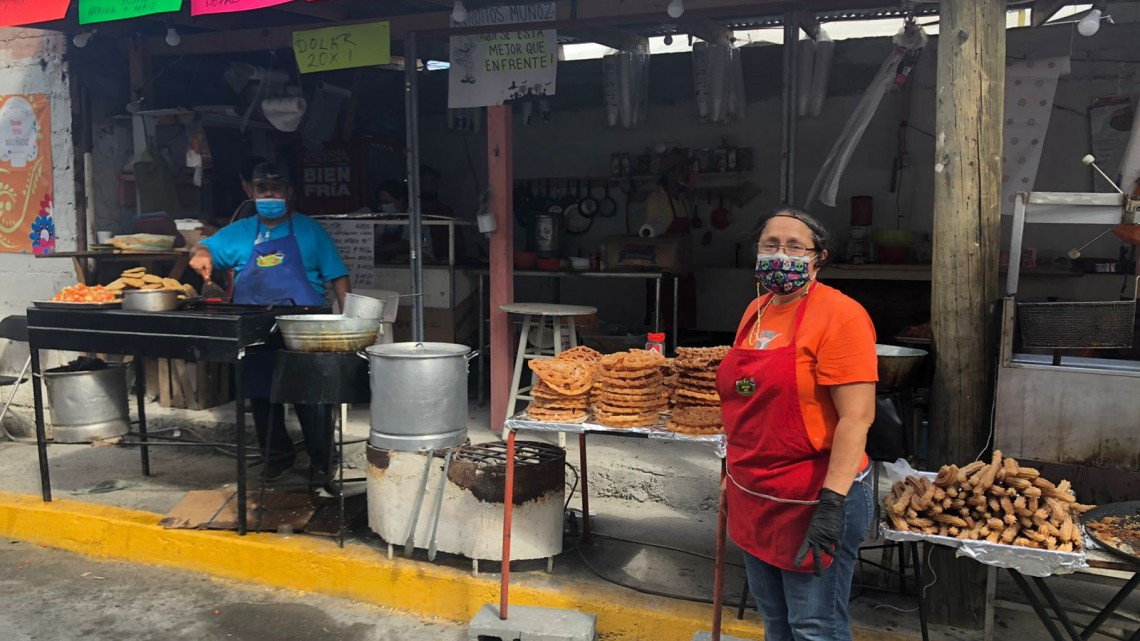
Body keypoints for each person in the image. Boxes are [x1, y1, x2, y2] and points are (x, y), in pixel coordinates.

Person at [717, 207, 877, 641]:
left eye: (794, 246)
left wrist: (831, 503)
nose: (780, 254)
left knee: (814, 628)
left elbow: (856, 417)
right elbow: (747, 395)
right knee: (775, 623)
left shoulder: (840, 315)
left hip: (814, 496)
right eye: (771, 244)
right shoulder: (757, 309)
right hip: (757, 492)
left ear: (817, 258)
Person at [189, 162, 352, 481]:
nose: (269, 194)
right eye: (262, 189)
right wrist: (201, 253)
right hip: (254, 323)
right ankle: (276, 456)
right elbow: (205, 246)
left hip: (305, 321)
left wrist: (347, 319)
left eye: (276, 189)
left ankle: (322, 460)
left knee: (311, 393)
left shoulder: (310, 230)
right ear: (251, 192)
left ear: (289, 193)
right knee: (262, 393)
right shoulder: (238, 232)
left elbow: (338, 276)